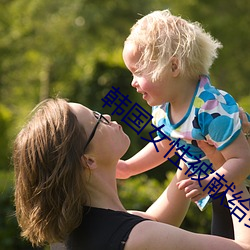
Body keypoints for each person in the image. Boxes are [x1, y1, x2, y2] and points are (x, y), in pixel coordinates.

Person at [13, 98, 250, 250]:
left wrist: (191, 140)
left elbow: (155, 221)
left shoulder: (72, 234)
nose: (106, 116)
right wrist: (231, 169)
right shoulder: (138, 238)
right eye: (97, 120)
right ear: (88, 160)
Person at [119, 9, 250, 239]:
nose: (133, 82)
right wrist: (129, 167)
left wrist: (210, 183)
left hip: (240, 189)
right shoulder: (163, 109)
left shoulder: (210, 109)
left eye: (138, 72)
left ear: (173, 67)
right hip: (222, 190)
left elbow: (243, 160)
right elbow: (166, 143)